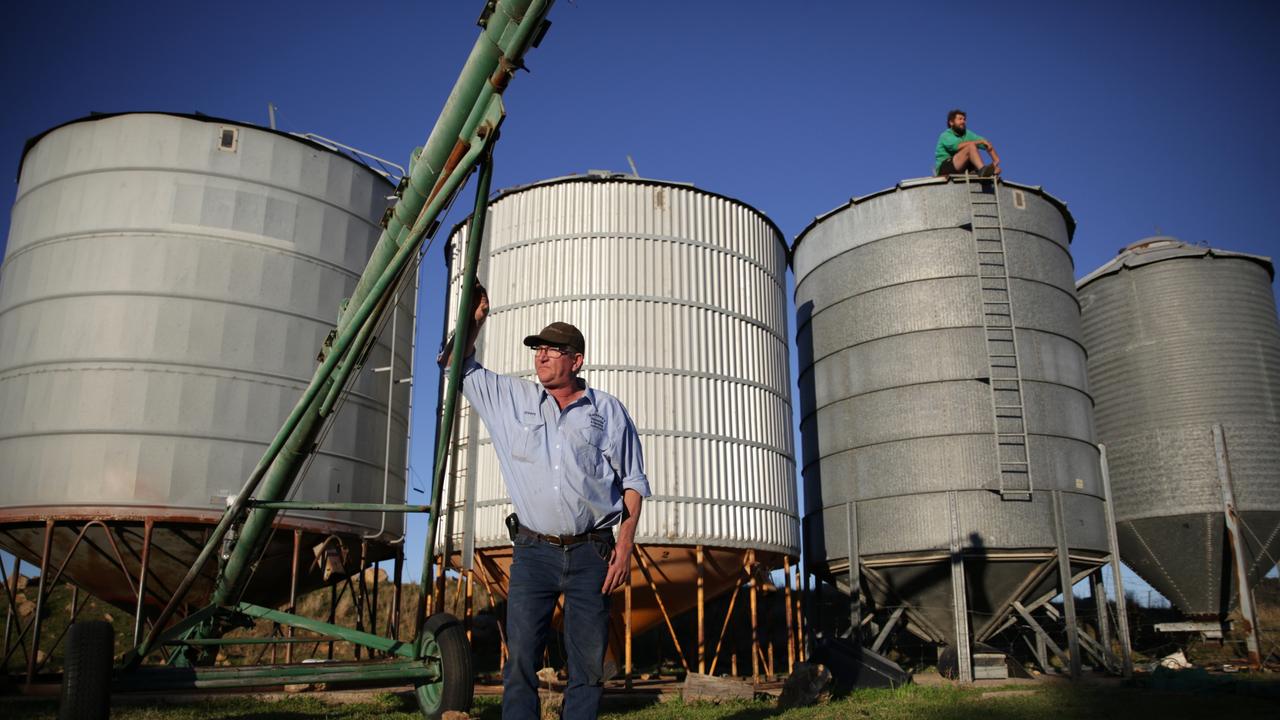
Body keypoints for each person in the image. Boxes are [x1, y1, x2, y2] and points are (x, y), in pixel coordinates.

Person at [440, 284, 649, 720]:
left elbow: (632, 481)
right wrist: (473, 321)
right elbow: (453, 365)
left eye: (552, 349)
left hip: (593, 551)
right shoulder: (511, 400)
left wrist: (625, 546)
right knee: (519, 661)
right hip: (533, 553)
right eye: (538, 349)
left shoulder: (606, 411)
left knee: (588, 665)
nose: (541, 356)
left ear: (576, 360)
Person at [935, 109, 1001, 177]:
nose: (963, 121)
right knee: (970, 147)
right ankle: (982, 170)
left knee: (995, 169)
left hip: (961, 167)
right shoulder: (945, 135)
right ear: (951, 122)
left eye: (964, 119)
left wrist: (996, 161)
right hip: (945, 168)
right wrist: (980, 141)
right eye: (960, 119)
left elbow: (986, 143)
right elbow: (957, 146)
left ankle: (981, 172)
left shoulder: (967, 134)